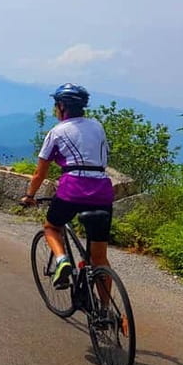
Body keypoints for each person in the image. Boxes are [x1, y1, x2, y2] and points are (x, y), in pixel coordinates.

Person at [20, 84, 114, 305]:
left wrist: (29, 196)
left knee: (52, 227)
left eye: (56, 105)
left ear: (61, 106)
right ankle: (105, 310)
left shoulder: (57, 132)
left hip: (72, 190)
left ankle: (62, 260)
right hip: (102, 192)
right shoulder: (97, 126)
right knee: (99, 259)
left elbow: (39, 173)